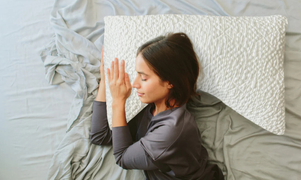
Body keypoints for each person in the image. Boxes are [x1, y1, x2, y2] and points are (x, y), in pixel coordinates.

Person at [90, 32, 224, 180]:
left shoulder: (172, 131)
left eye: (143, 78)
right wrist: (104, 81)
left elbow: (122, 157)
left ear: (170, 82)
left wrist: (118, 101)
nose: (134, 84)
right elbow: (100, 136)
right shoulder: (151, 107)